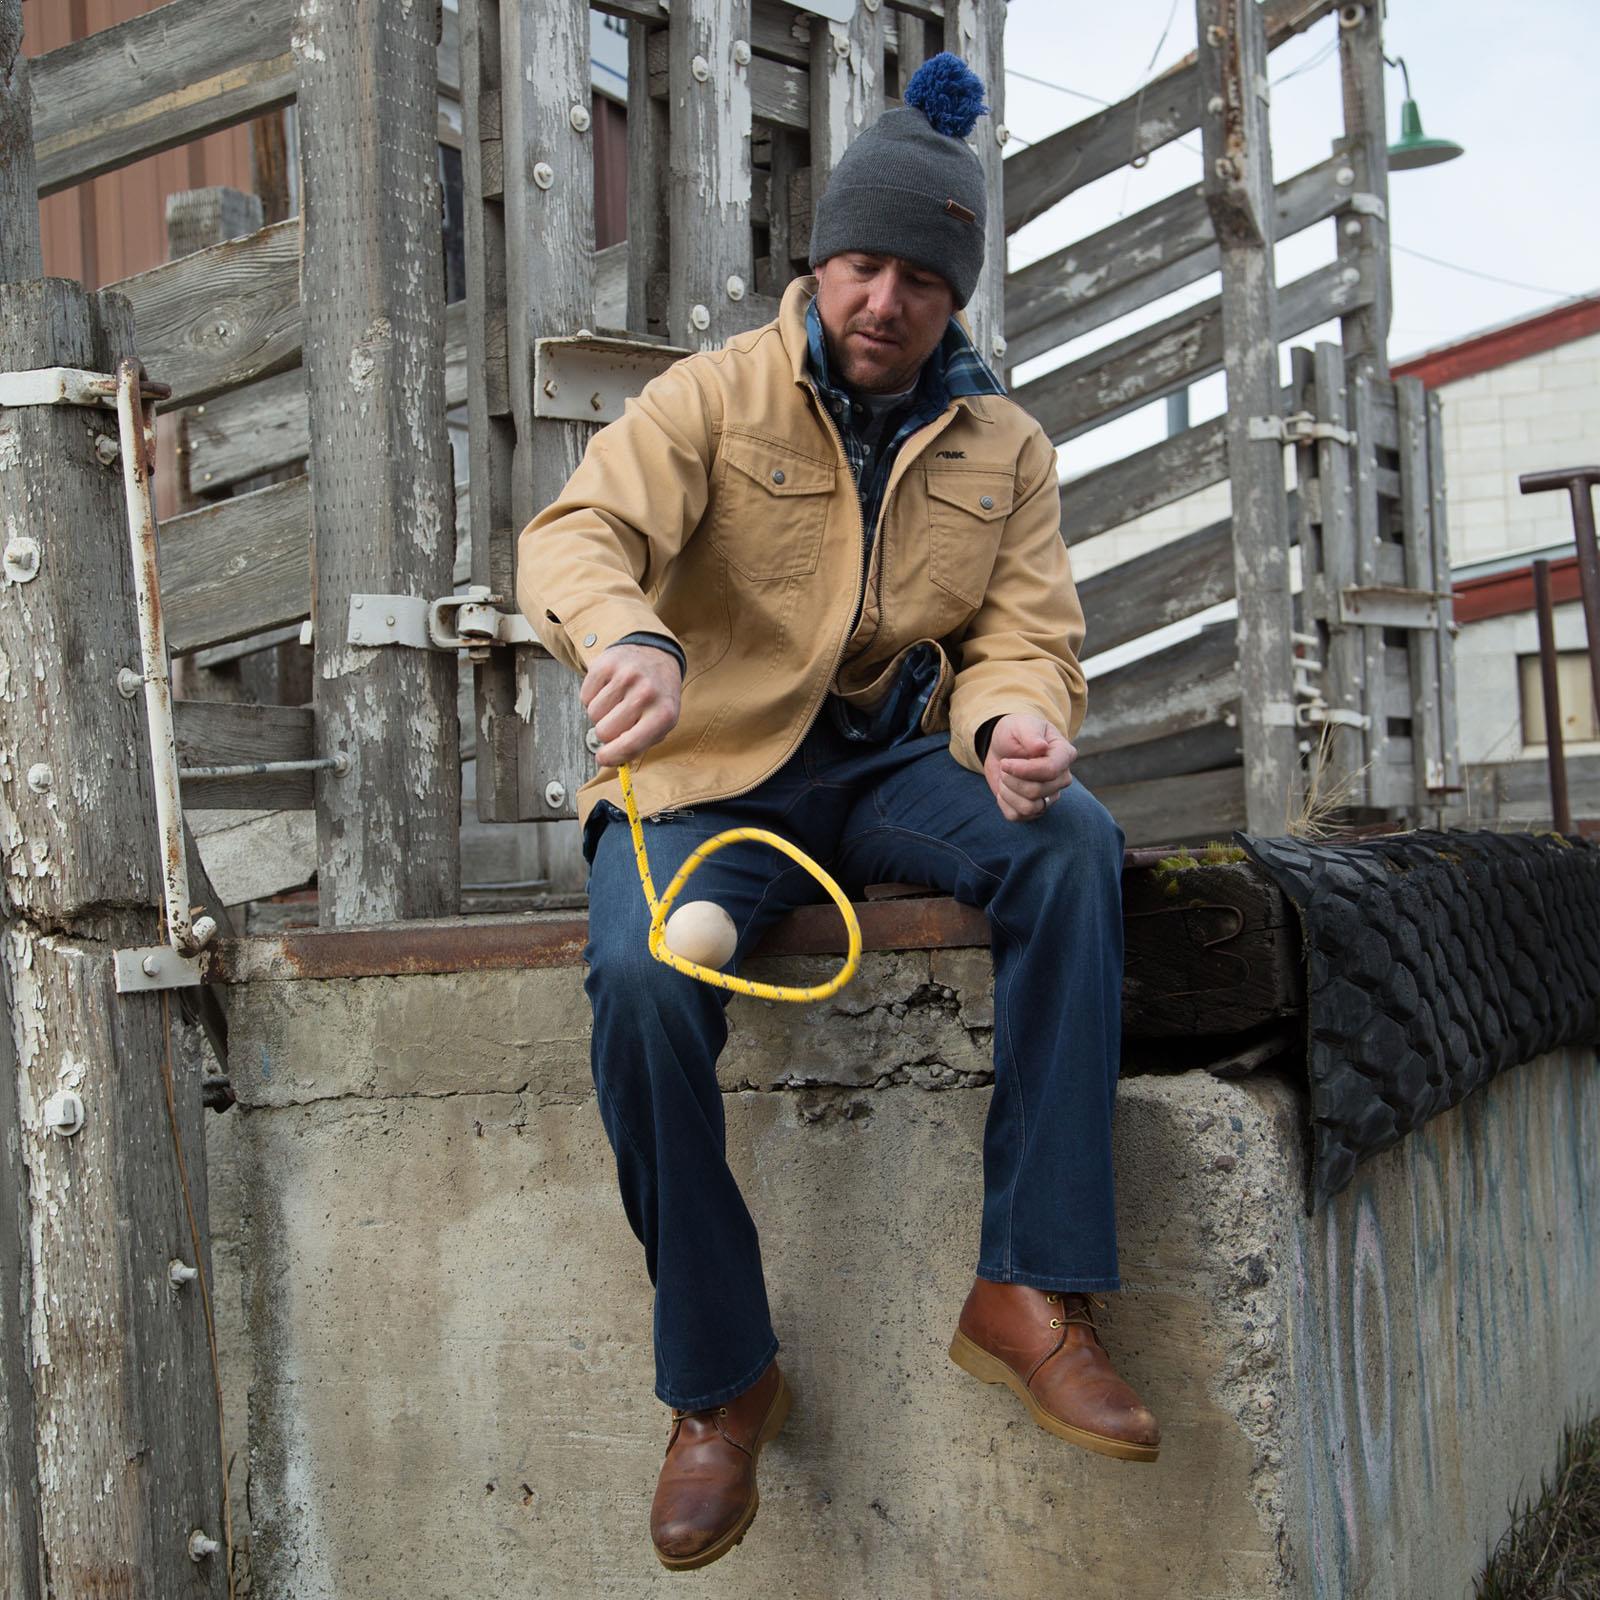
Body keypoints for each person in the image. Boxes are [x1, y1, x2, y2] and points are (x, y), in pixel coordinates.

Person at [517, 53, 1158, 1574]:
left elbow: (1029, 633)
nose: (886, 301)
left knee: (1072, 847)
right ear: (820, 263)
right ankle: (722, 1385)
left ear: (955, 296)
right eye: (863, 265)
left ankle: (1030, 1290)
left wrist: (1017, 724)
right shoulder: (712, 394)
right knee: (643, 981)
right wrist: (630, 639)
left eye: (922, 279)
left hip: (885, 769)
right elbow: (576, 532)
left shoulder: (1008, 447)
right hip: (711, 764)